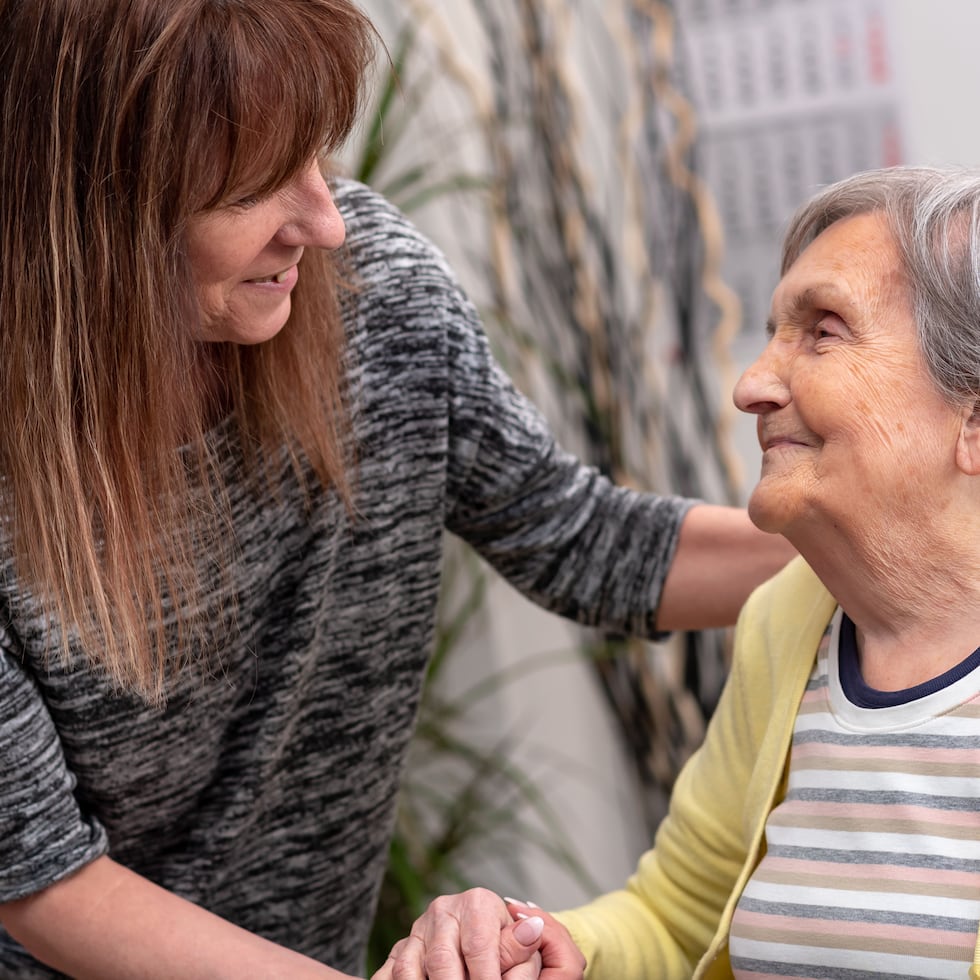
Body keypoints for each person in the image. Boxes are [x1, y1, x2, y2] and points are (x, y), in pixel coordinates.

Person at [0, 1, 794, 977]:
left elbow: (586, 543)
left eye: (317, 156)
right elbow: (46, 882)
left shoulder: (372, 291)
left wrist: (896, 532)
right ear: (89, 208)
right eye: (252, 187)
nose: (324, 222)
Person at [381, 163, 980, 980]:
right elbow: (675, 918)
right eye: (772, 333)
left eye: (823, 331)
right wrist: (535, 943)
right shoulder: (790, 622)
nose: (751, 385)